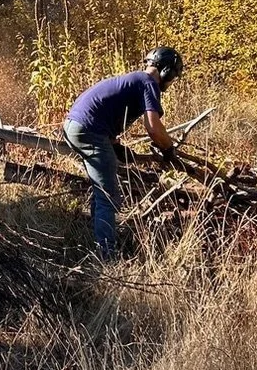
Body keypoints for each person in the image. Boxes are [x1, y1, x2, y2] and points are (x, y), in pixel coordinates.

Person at [62, 47, 184, 259]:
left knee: (102, 189)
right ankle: (107, 257)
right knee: (108, 197)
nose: (171, 83)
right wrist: (169, 148)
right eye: (173, 77)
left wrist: (115, 146)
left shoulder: (135, 80)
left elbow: (107, 110)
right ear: (167, 72)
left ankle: (95, 240)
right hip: (89, 130)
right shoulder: (148, 83)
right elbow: (154, 128)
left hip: (75, 126)